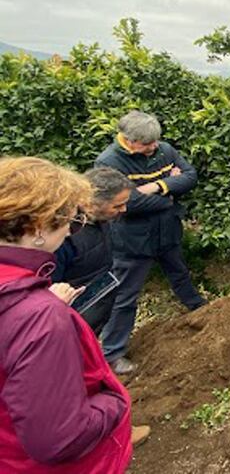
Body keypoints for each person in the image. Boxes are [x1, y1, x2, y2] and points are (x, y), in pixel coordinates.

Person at [0, 156, 133, 472]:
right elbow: (58, 438)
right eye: (68, 223)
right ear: (36, 228)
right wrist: (114, 401)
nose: (72, 232)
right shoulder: (40, 317)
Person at [96, 110, 207, 375]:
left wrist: (157, 186)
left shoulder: (163, 150)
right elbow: (128, 203)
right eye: (147, 144)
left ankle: (199, 310)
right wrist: (169, 194)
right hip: (132, 240)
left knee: (179, 273)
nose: (154, 147)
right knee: (125, 296)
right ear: (129, 140)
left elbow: (190, 176)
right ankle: (112, 352)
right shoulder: (109, 163)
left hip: (166, 232)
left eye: (155, 141)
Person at [53, 167, 133, 335]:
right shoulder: (61, 238)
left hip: (95, 309)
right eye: (118, 205)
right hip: (71, 324)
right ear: (90, 203)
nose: (124, 209)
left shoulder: (100, 218)